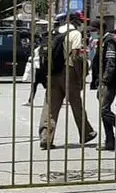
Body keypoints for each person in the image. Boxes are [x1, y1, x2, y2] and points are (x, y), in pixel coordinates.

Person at [39, 12, 97, 150]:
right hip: (68, 71)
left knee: (50, 106)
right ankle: (86, 133)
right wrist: (80, 76)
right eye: (80, 22)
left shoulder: (55, 32)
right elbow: (76, 57)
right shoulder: (75, 34)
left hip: (52, 72)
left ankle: (46, 137)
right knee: (76, 104)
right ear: (76, 21)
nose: (81, 24)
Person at [91, 23, 116, 151]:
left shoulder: (109, 41)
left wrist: (104, 80)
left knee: (104, 111)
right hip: (103, 80)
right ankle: (110, 141)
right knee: (104, 111)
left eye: (94, 30)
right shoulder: (104, 40)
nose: (92, 33)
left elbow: (111, 63)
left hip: (109, 82)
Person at [23, 35, 46, 107]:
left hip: (40, 69)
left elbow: (41, 57)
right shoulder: (38, 48)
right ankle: (30, 101)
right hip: (36, 68)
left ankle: (57, 99)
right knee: (35, 85)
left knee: (46, 86)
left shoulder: (42, 48)